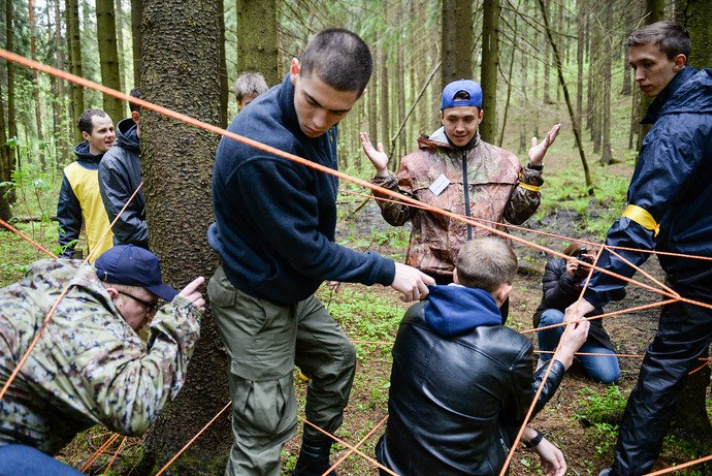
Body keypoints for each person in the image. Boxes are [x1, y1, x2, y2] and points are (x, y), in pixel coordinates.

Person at [208, 29, 434, 476]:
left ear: (357, 97)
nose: (318, 121)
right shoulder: (264, 148)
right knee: (264, 428)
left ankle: (313, 463)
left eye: (337, 111)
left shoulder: (317, 117)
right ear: (295, 71)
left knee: (336, 360)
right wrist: (387, 270)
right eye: (311, 102)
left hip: (287, 284)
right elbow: (309, 253)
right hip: (253, 294)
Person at [562, 22, 712, 476]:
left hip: (702, 274)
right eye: (633, 67)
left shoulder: (676, 130)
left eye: (648, 65)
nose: (640, 77)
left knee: (662, 373)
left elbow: (640, 219)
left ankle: (626, 471)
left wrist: (593, 294)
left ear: (678, 62)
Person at [376, 237, 589, 476]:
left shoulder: (414, 316)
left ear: (455, 275)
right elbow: (523, 410)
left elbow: (469, 404)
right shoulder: (510, 348)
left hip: (392, 465)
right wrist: (562, 357)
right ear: (504, 292)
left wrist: (535, 438)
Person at [0, 244, 205, 474]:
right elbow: (134, 410)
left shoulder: (58, 294)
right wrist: (178, 325)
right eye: (147, 305)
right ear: (112, 296)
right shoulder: (80, 323)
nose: (150, 316)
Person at [361, 79, 561, 286]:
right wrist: (383, 174)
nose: (459, 128)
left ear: (480, 116)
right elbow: (397, 216)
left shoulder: (504, 162)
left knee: (491, 321)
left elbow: (516, 215)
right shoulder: (416, 164)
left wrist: (534, 168)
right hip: (435, 273)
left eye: (468, 119)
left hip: (490, 272)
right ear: (442, 116)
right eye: (452, 119)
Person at [534, 243, 622, 384]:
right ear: (572, 256)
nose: (585, 262)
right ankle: (546, 360)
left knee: (609, 376)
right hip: (558, 323)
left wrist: (599, 273)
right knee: (551, 317)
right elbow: (551, 300)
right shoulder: (557, 266)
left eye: (590, 258)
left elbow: (619, 294)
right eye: (582, 257)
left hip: (587, 331)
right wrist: (568, 276)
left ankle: (573, 352)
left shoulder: (598, 271)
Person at [58, 109, 116, 261]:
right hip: (102, 259)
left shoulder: (127, 162)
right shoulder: (73, 173)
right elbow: (68, 222)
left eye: (111, 129)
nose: (110, 135)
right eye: (102, 131)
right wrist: (65, 257)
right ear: (86, 136)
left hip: (139, 254)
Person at [99, 89, 148, 248]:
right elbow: (126, 228)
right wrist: (173, 234)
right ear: (136, 117)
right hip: (136, 256)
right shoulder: (113, 162)